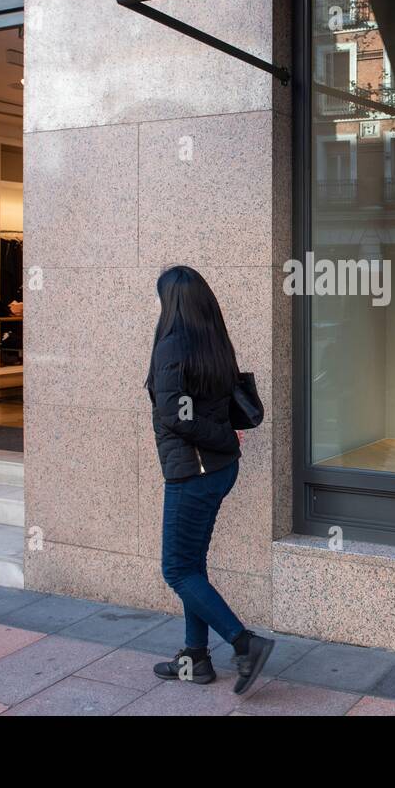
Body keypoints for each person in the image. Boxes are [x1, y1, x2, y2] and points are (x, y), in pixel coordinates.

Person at [145, 265, 274, 693]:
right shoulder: (214, 340)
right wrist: (224, 441)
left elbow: (175, 415)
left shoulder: (172, 345)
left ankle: (244, 643)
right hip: (218, 469)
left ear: (173, 304)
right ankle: (195, 659)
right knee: (192, 566)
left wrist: (219, 438)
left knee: (177, 570)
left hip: (194, 470)